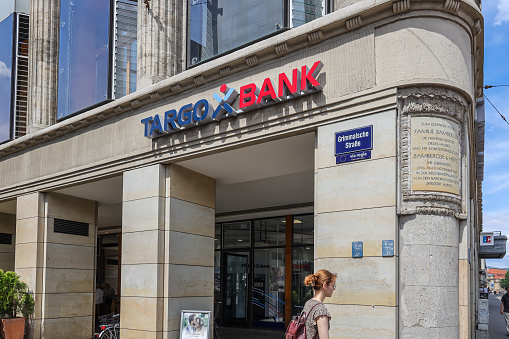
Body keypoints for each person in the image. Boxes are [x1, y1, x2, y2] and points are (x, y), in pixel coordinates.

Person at [302, 269, 337, 339]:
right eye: (333, 286)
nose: (334, 289)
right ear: (324, 286)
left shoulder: (308, 303)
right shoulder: (321, 310)